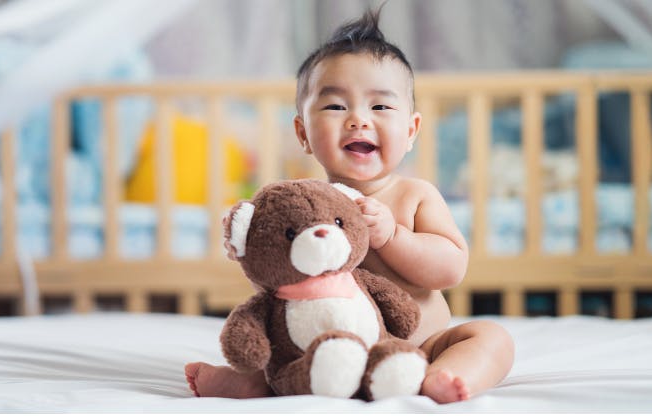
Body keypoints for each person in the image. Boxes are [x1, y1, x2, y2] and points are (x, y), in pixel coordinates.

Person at [185, 7, 514, 404]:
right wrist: (252, 252)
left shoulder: (415, 195)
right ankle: (250, 382)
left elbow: (450, 269)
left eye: (380, 107)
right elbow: (282, 286)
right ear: (303, 133)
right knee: (271, 350)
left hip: (419, 349)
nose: (358, 119)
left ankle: (440, 377)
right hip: (321, 353)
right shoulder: (299, 207)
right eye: (336, 106)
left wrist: (393, 237)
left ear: (410, 131)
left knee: (491, 338)